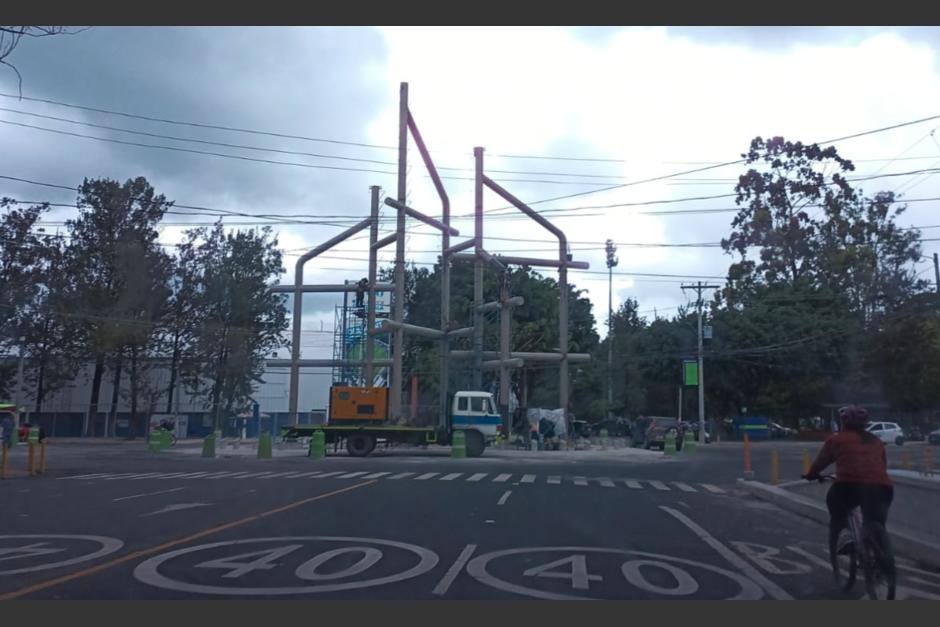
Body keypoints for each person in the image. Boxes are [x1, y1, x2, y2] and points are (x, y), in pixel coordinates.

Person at [803, 405, 893, 573]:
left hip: (849, 485)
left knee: (835, 504)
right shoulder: (876, 441)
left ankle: (845, 535)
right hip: (883, 487)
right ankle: (881, 554)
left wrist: (811, 474)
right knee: (875, 520)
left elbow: (821, 462)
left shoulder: (837, 440)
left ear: (843, 422)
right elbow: (882, 466)